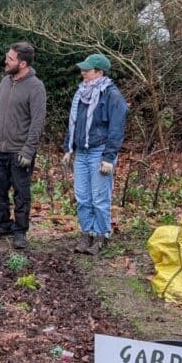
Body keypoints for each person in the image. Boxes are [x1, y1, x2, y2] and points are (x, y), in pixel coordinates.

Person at [0, 42, 47, 250]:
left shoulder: (36, 87)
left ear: (22, 63)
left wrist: (28, 150)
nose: (6, 61)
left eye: (10, 58)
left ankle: (20, 231)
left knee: (21, 194)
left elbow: (37, 122)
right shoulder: (5, 82)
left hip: (19, 152)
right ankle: (3, 225)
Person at [63, 53, 128, 255]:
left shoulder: (112, 95)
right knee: (82, 197)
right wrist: (68, 148)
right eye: (83, 69)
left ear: (99, 72)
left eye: (87, 70)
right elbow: (74, 123)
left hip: (99, 152)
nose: (83, 72)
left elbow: (117, 128)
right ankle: (87, 233)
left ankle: (101, 235)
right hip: (81, 152)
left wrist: (109, 157)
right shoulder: (81, 93)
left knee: (99, 198)